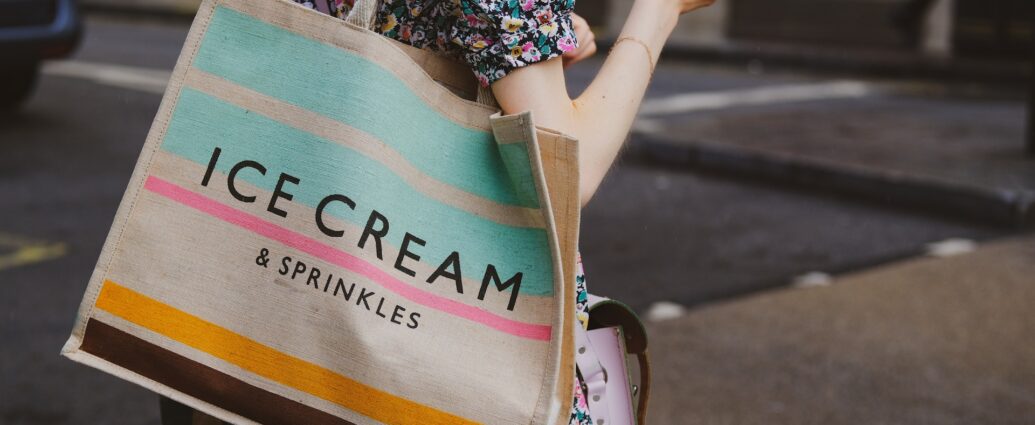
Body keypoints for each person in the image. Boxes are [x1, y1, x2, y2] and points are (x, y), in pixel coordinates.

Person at [163, 0, 716, 423]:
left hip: (255, 328)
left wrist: (527, 40)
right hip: (420, 365)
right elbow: (568, 169)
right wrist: (658, 12)